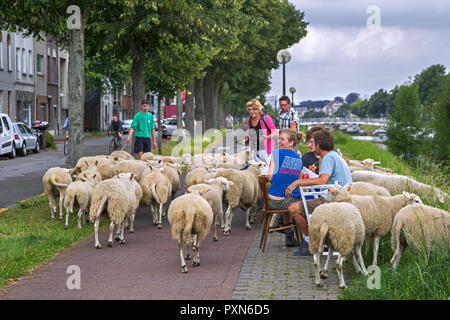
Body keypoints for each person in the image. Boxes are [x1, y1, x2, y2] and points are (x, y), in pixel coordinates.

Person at [285, 129, 352, 256]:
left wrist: (297, 183)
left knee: (294, 208)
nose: (311, 146)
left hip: (333, 200)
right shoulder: (334, 156)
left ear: (318, 146)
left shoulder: (328, 158)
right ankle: (320, 241)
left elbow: (322, 180)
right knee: (304, 205)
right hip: (342, 197)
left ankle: (311, 243)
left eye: (313, 143)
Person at [268, 129, 304, 247]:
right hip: (286, 202)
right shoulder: (299, 158)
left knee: (288, 196)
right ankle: (304, 238)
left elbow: (270, 177)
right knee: (302, 201)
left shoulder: (276, 153)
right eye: (279, 138)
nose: (279, 141)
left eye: (282, 139)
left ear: (291, 143)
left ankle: (289, 234)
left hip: (272, 202)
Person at [243, 99, 277, 164]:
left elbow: (274, 132)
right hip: (254, 149)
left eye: (254, 109)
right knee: (255, 169)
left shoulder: (266, 118)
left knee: (267, 169)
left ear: (259, 109)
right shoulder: (249, 119)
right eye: (250, 109)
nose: (252, 112)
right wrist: (246, 139)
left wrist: (266, 137)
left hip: (265, 150)